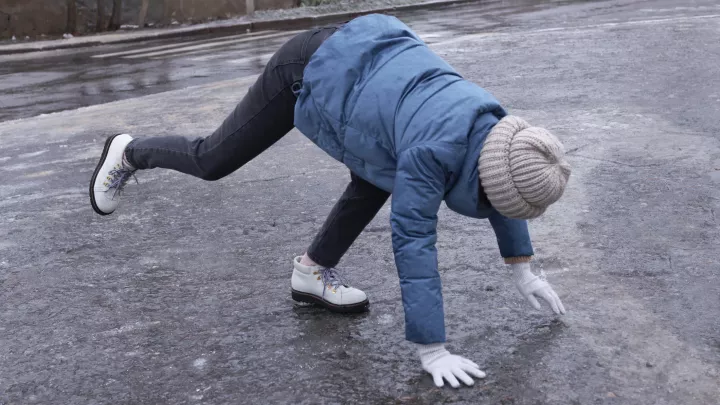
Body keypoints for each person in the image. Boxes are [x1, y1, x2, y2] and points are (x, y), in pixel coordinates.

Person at [89, 14, 571, 388]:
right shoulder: (434, 151)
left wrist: (523, 265)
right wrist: (433, 349)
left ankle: (311, 271)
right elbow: (415, 245)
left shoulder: (501, 135)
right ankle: (128, 151)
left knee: (381, 173)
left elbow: (509, 189)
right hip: (310, 68)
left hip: (365, 64)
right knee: (215, 158)